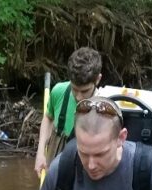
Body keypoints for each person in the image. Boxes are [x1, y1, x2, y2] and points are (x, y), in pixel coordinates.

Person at [33, 47, 103, 177]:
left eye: (84, 91)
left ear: (98, 79)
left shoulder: (105, 108)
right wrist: (41, 153)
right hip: (56, 161)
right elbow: (48, 118)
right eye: (74, 89)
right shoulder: (59, 91)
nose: (78, 97)